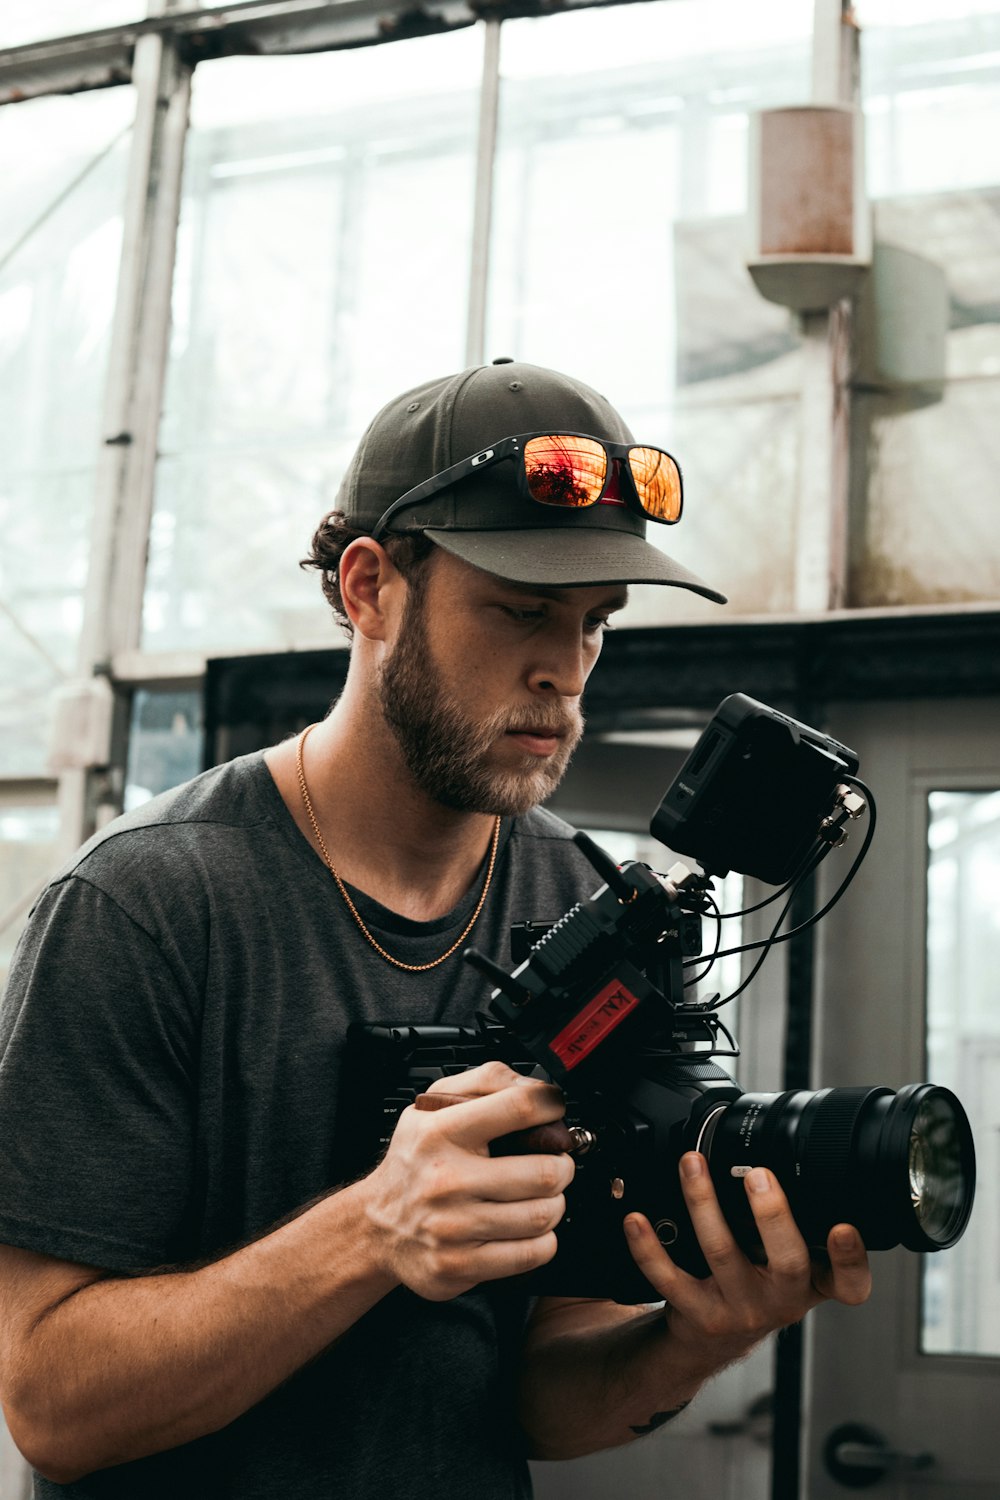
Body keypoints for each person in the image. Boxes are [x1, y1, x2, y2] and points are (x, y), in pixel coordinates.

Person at [0, 359, 871, 1498]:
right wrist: (372, 1231)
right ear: (368, 588)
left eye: (593, 624)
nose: (563, 672)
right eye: (520, 610)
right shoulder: (148, 908)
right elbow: (52, 1407)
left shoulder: (590, 901)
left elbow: (533, 1398)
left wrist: (695, 1337)